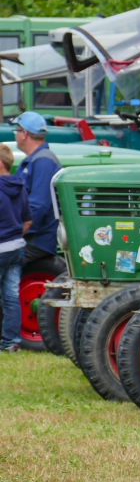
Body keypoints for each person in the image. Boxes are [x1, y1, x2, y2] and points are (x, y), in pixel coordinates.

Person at [12, 111, 61, 265]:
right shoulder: (34, 160)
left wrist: (13, 234)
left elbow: (37, 207)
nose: (15, 134)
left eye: (17, 130)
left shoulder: (44, 162)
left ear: (24, 133)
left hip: (36, 242)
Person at [0, 143, 30, 352]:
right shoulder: (20, 186)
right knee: (11, 297)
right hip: (17, 247)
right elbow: (28, 221)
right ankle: (11, 343)